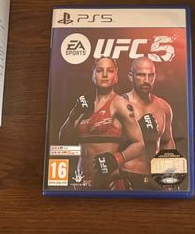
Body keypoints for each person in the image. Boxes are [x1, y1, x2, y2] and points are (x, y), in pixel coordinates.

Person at [57, 57, 145, 189]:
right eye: (99, 70)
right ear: (93, 75)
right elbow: (63, 138)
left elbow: (140, 144)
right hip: (82, 183)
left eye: (110, 71)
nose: (104, 74)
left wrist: (116, 159)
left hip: (109, 183)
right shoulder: (84, 105)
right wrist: (73, 114)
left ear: (116, 77)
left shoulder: (120, 104)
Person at [120, 57, 176, 189]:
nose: (146, 80)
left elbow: (167, 141)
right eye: (141, 75)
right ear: (130, 76)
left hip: (154, 179)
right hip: (126, 176)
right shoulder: (119, 104)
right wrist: (137, 132)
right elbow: (109, 145)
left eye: (150, 75)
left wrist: (170, 176)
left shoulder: (164, 107)